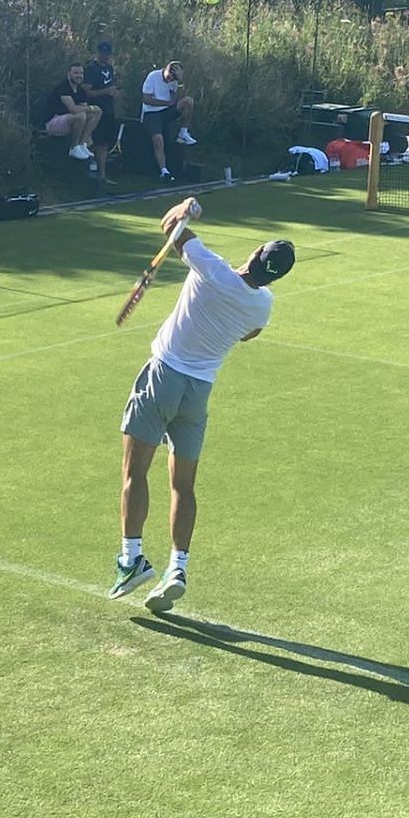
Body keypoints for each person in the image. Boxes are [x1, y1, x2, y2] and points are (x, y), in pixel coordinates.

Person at [109, 199, 295, 612]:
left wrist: (187, 206)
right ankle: (178, 567)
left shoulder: (211, 270)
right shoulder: (262, 305)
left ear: (254, 255)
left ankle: (130, 559)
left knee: (134, 473)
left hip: (162, 377)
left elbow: (169, 224)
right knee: (183, 485)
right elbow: (248, 335)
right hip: (198, 393)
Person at [140, 59, 197, 181]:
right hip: (152, 112)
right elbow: (146, 99)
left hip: (167, 110)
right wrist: (166, 102)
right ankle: (163, 170)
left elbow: (179, 98)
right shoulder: (153, 77)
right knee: (158, 139)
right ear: (166, 70)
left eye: (174, 79)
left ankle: (183, 133)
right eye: (170, 77)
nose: (171, 80)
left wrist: (180, 82)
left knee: (188, 102)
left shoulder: (175, 81)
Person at [40, 62, 101, 162]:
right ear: (69, 74)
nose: (79, 76)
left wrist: (93, 110)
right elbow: (73, 108)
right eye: (76, 73)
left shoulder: (80, 90)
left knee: (96, 113)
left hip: (69, 121)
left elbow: (85, 109)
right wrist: (92, 108)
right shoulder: (63, 87)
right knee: (81, 115)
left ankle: (82, 143)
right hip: (53, 121)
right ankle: (74, 147)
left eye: (81, 73)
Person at [80, 39, 122, 183]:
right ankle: (92, 173)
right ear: (98, 53)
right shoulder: (91, 68)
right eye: (103, 53)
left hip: (109, 110)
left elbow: (111, 86)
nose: (105, 56)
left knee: (104, 143)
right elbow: (86, 91)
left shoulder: (109, 68)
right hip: (96, 110)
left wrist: (114, 94)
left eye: (108, 53)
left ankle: (102, 174)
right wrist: (106, 91)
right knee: (95, 141)